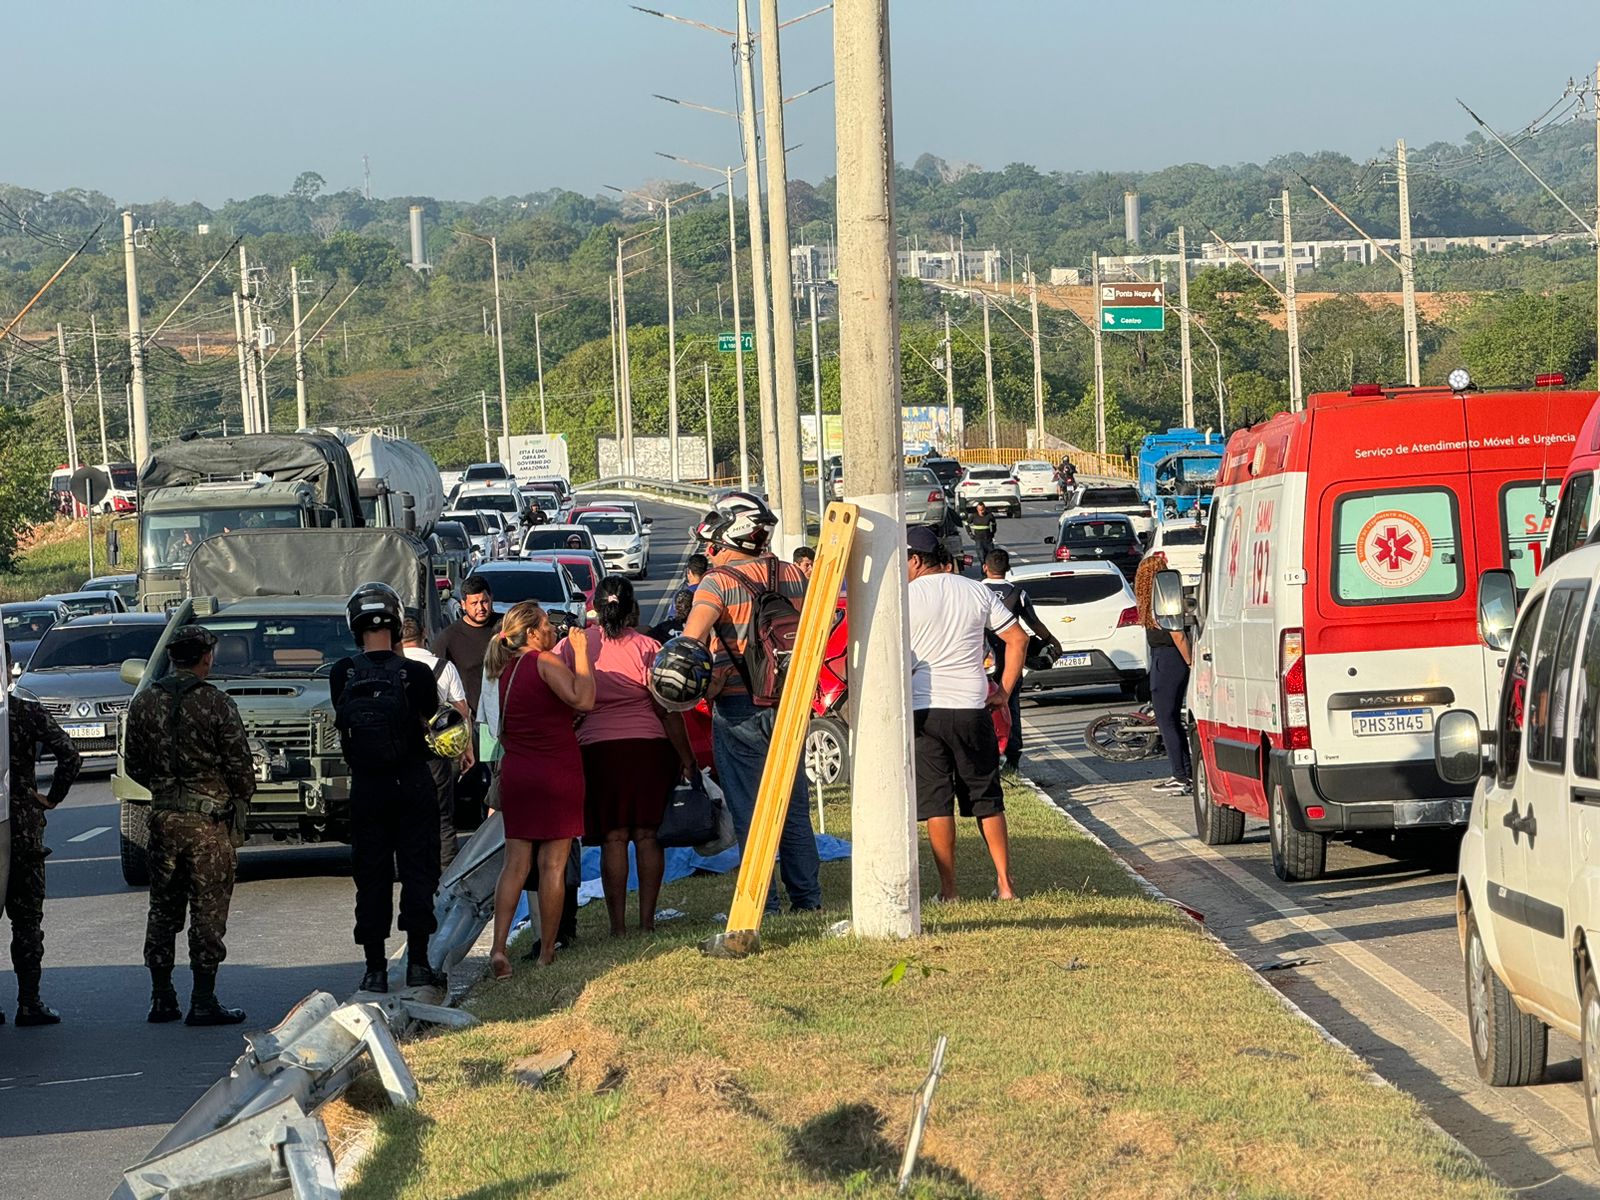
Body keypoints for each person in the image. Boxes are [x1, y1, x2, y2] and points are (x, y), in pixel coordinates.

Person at [683, 491, 821, 913]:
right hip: (790, 703)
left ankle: (765, 904)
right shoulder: (795, 576)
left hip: (737, 707)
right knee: (793, 804)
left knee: (750, 809)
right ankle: (808, 900)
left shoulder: (717, 583)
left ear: (730, 533)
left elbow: (690, 642)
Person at [124, 624, 255, 1025]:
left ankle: (161, 996)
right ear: (205, 657)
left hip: (163, 820)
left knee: (163, 908)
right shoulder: (216, 704)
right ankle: (203, 998)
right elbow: (240, 769)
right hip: (208, 822)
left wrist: (167, 790)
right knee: (207, 910)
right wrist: (233, 796)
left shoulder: (144, 703)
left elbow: (135, 766)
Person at [559, 577, 696, 935]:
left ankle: (617, 926)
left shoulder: (577, 645)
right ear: (632, 608)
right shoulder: (650, 648)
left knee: (613, 838)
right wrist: (687, 758)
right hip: (649, 750)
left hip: (598, 752)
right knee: (649, 836)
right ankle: (647, 922)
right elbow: (667, 709)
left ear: (597, 609)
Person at [331, 583, 446, 994]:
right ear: (398, 623)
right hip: (412, 782)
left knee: (372, 876)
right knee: (418, 872)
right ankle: (417, 964)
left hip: (366, 788)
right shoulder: (414, 672)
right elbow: (432, 718)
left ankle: (374, 970)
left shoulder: (342, 673)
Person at [907, 526, 1030, 903]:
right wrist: (1004, 692)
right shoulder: (976, 589)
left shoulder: (904, 597)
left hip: (924, 708)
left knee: (936, 803)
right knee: (987, 798)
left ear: (914, 560)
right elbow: (1018, 639)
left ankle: (949, 892)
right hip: (972, 705)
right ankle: (1006, 885)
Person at [486, 601, 594, 975]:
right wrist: (581, 653)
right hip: (555, 772)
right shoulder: (545, 662)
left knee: (514, 865)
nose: (552, 631)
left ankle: (498, 948)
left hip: (519, 772)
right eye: (547, 625)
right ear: (531, 633)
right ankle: (548, 949)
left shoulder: (506, 670)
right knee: (552, 866)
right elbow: (585, 699)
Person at [4, 646, 81, 1026]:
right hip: (21, 826)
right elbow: (70, 755)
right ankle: (29, 1002)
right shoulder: (24, 710)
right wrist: (51, 798)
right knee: (27, 920)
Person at [401, 616, 473, 870]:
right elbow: (461, 711)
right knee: (442, 816)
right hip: (436, 752)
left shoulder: (393, 667)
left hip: (400, 753)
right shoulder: (443, 667)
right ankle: (446, 871)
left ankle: (407, 867)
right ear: (424, 633)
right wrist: (467, 749)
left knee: (404, 814)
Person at [981, 549, 1062, 775]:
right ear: (1007, 569)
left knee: (981, 707)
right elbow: (1033, 624)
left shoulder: (975, 591)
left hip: (981, 661)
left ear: (984, 567)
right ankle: (1012, 756)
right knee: (1009, 705)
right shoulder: (1018, 593)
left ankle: (986, 753)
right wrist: (1052, 641)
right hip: (1010, 659)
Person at [1135, 552, 1193, 794]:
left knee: (1167, 719)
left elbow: (1177, 634)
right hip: (1167, 658)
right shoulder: (1161, 599)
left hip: (1168, 659)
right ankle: (1183, 772)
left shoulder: (1159, 601)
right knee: (1168, 719)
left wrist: (1190, 661)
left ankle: (1181, 774)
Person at [432, 575, 500, 722]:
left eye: (484, 602)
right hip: (474, 720)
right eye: (474, 603)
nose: (480, 608)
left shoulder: (506, 626)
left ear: (491, 598)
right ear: (463, 604)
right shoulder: (449, 638)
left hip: (508, 716)